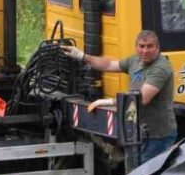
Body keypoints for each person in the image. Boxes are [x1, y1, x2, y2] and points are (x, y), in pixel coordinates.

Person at [63, 29, 177, 162]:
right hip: (138, 132)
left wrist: (107, 102)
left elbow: (142, 99)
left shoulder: (160, 68)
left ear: (157, 47)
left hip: (157, 136)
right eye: (141, 46)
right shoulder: (134, 61)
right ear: (136, 47)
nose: (145, 51)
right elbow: (109, 64)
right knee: (135, 174)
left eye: (150, 46)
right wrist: (81, 56)